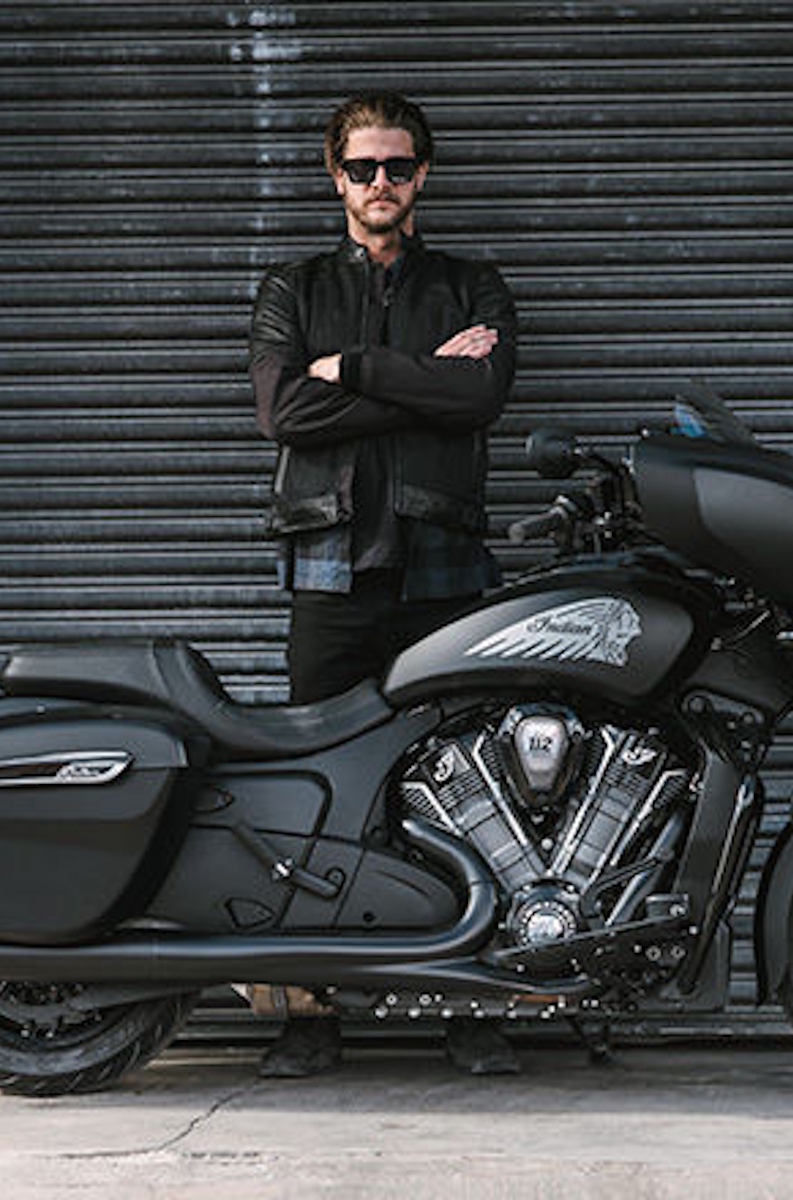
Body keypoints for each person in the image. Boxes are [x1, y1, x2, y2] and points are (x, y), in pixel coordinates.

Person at [249, 93, 518, 1077]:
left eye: (397, 167)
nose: (380, 184)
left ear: (422, 175)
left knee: (467, 787)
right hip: (328, 571)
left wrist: (354, 367)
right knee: (315, 795)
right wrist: (418, 382)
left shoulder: (471, 285)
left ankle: (471, 1004)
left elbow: (479, 395)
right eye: (362, 168)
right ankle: (308, 1014)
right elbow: (284, 413)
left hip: (443, 567)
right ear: (336, 177)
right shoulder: (293, 287)